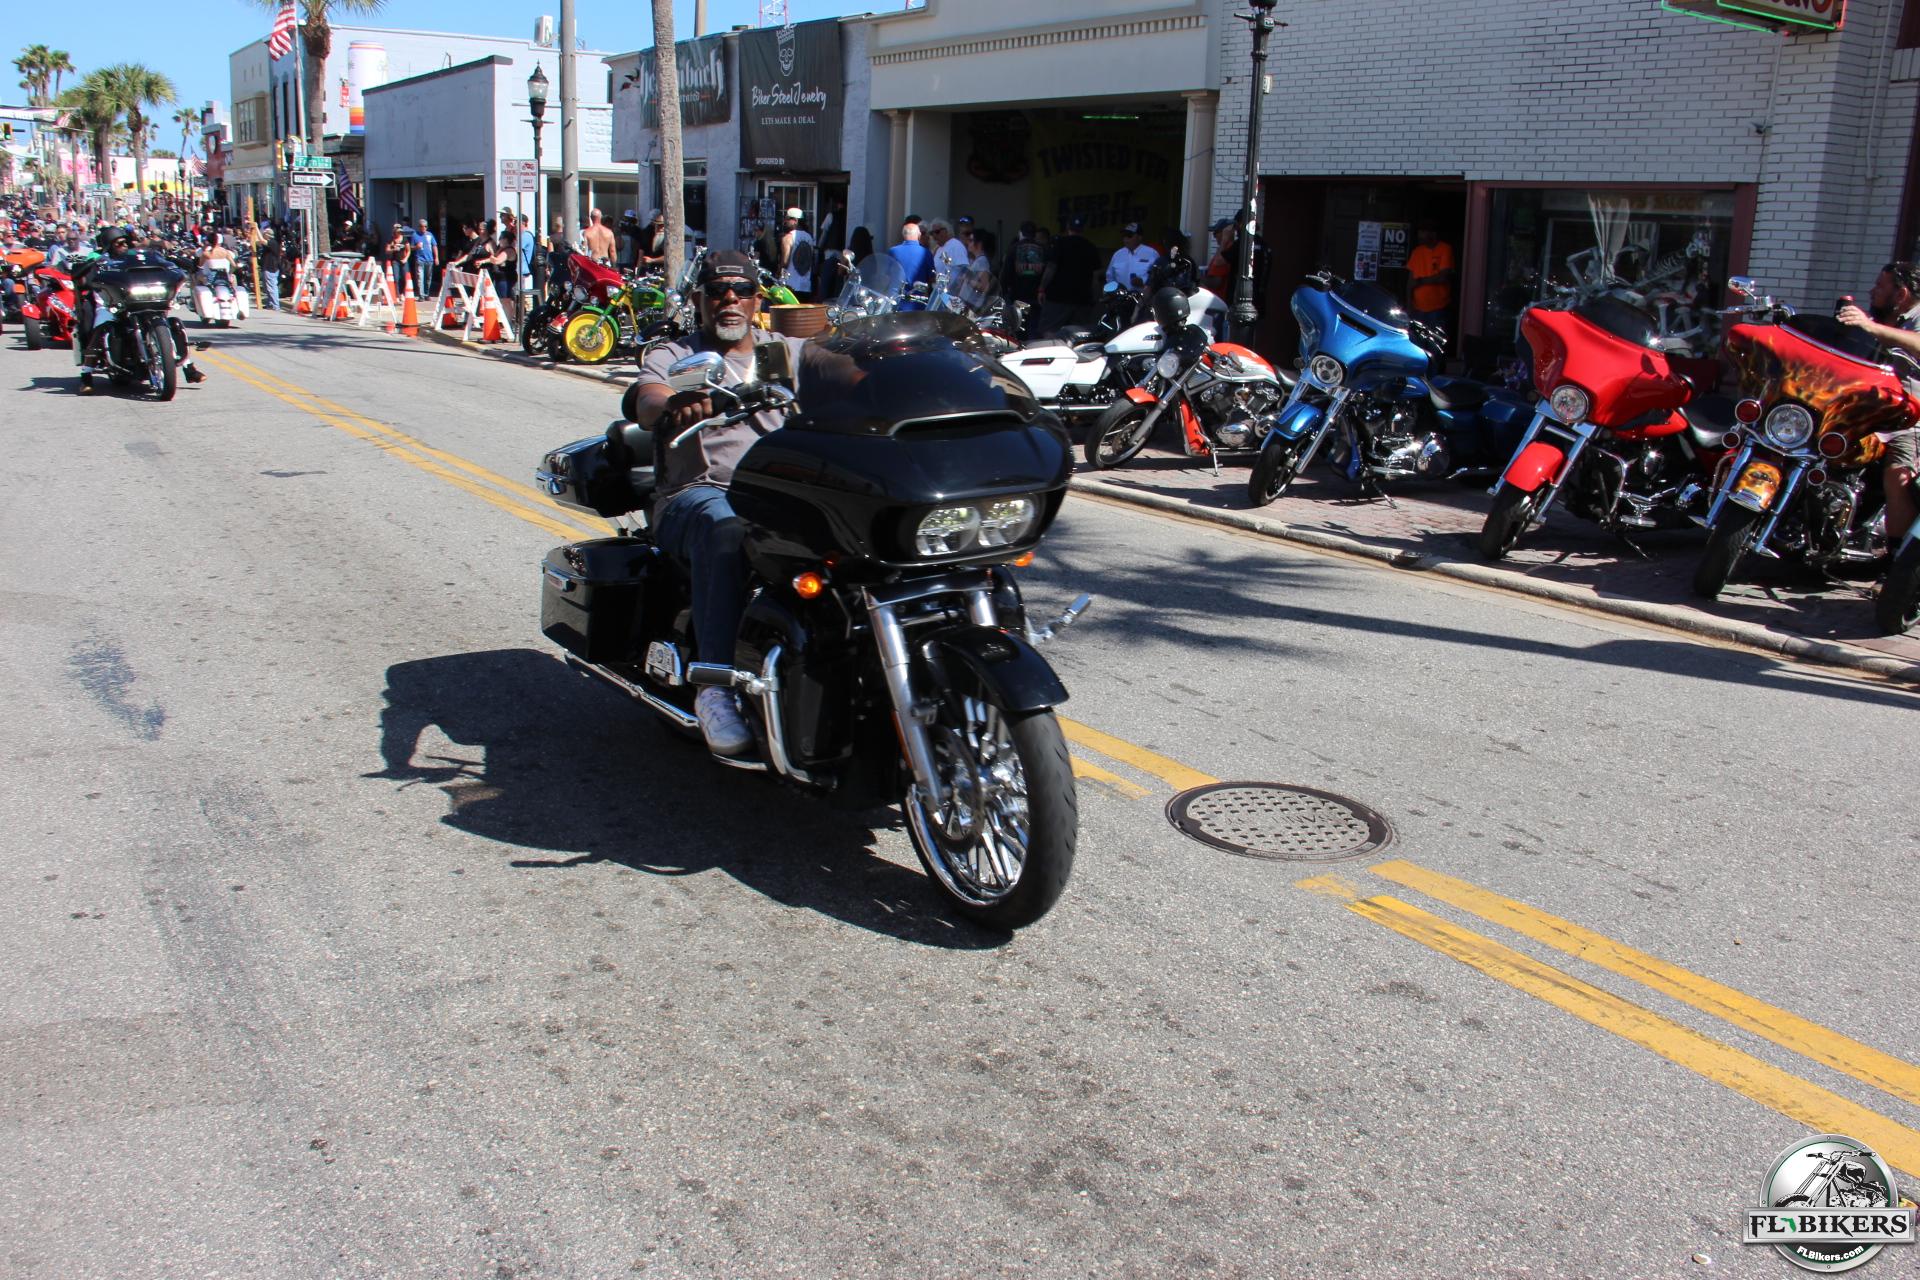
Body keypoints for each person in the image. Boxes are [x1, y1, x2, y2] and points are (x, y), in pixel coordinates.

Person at [628, 250, 807, 755]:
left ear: (757, 299)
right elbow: (646, 398)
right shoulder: (675, 354)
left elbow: (852, 369)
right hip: (699, 494)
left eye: (741, 290)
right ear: (698, 300)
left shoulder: (786, 351)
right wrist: (673, 403)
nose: (730, 299)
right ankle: (714, 685)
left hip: (783, 490)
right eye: (716, 291)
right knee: (725, 526)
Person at [1838, 261, 1920, 542]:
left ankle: (1894, 552)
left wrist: (1869, 326)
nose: (1872, 291)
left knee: (1899, 475)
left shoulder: (1915, 317)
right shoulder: (1884, 319)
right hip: (1867, 409)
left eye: (1880, 286)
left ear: (1901, 294)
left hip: (1906, 416)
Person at [1037, 215, 1101, 334]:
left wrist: (1041, 288)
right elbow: (1095, 278)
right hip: (1082, 299)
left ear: (1067, 227)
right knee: (1079, 334)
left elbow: (1051, 268)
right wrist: (1094, 298)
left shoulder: (1059, 244)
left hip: (1058, 298)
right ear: (1083, 229)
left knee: (1050, 331)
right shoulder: (1091, 247)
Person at [1407, 221, 1456, 333]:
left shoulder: (1445, 249)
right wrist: (1409, 304)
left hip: (1438, 307)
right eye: (1419, 232)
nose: (1420, 235)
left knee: (1436, 341)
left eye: (1423, 232)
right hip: (1418, 308)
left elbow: (1443, 277)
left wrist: (1420, 281)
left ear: (1433, 233)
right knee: (1417, 341)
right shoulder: (1417, 252)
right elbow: (1410, 282)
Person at [1002, 221, 1046, 311]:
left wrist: (1004, 290)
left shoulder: (1013, 248)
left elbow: (1006, 271)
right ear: (1035, 234)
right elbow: (1048, 269)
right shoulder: (1043, 248)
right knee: (1035, 317)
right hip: (1037, 294)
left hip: (1018, 294)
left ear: (1020, 233)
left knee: (1019, 318)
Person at [1105, 222, 1159, 291]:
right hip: (1121, 296)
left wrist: (1143, 285)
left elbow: (1158, 279)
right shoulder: (1118, 254)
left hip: (1143, 296)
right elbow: (1110, 277)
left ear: (1139, 237)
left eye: (1129, 235)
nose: (1126, 239)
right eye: (1124, 235)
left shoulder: (1152, 253)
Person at [886, 218, 935, 291]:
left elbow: (887, 275)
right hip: (918, 295)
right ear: (919, 235)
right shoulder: (926, 252)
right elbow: (932, 277)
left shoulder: (893, 251)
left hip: (897, 294)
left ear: (903, 235)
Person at [779, 207, 815, 301]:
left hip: (790, 286)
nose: (785, 221)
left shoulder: (788, 238)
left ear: (795, 220)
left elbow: (785, 262)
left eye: (787, 219)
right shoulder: (809, 238)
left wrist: (778, 274)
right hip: (806, 286)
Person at [961, 228, 996, 312]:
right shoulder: (978, 260)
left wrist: (968, 280)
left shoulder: (982, 261)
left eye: (971, 240)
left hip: (972, 306)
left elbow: (985, 287)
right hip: (968, 304)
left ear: (979, 244)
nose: (968, 243)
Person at [928, 218, 970, 290]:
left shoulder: (956, 245)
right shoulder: (938, 249)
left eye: (937, 232)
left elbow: (964, 270)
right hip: (939, 291)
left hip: (951, 293)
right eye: (932, 233)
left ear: (946, 230)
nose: (934, 236)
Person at [412, 217, 438, 298]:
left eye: (425, 226)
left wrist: (436, 257)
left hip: (429, 259)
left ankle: (426, 293)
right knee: (420, 278)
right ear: (419, 227)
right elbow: (410, 247)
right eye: (422, 226)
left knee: (428, 278)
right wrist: (416, 247)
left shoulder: (430, 235)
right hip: (420, 259)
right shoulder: (415, 235)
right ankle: (421, 295)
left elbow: (434, 246)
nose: (424, 228)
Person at [258, 231, 284, 310]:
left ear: (268, 235)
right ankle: (270, 303)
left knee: (272, 287)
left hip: (271, 268)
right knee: (267, 288)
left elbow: (262, 240)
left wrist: (256, 229)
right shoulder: (268, 243)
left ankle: (275, 305)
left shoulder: (273, 242)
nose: (263, 235)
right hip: (267, 267)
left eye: (264, 234)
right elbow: (259, 242)